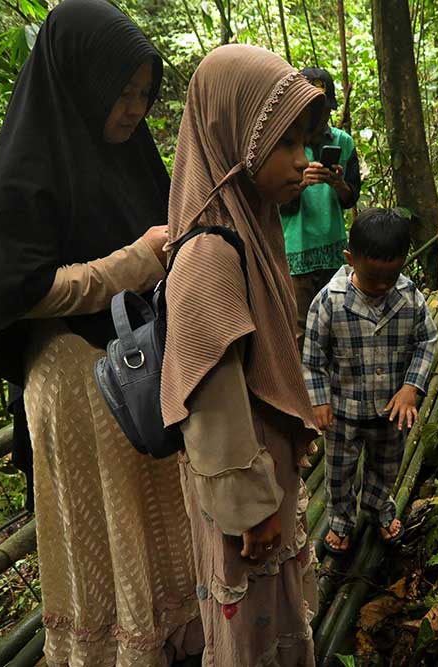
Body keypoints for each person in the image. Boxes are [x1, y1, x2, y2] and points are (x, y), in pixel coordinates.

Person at [0, 1, 201, 664]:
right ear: (78, 81)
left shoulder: (130, 159)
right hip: (78, 384)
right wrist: (129, 263)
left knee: (162, 522)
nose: (133, 109)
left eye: (143, 93)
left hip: (145, 371)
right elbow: (23, 289)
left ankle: (177, 634)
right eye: (120, 92)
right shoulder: (17, 181)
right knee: (110, 532)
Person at [160, 44, 326, 666]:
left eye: (304, 142)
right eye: (285, 144)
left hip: (262, 480)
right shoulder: (210, 253)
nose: (301, 161)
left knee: (267, 619)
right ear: (235, 139)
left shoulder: (248, 226)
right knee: (251, 632)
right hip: (245, 500)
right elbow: (213, 403)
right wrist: (252, 512)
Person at [301, 208, 438, 554]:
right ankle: (341, 521)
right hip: (344, 411)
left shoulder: (409, 298)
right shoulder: (329, 303)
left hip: (392, 411)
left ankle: (379, 508)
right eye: (374, 279)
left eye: (390, 279)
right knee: (340, 472)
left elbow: (427, 340)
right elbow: (313, 356)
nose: (382, 287)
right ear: (350, 259)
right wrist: (319, 400)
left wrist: (411, 387)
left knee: (386, 466)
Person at [279, 67, 361, 345]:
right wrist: (300, 184)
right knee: (298, 332)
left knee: (335, 326)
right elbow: (275, 203)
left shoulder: (343, 142)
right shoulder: (284, 143)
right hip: (295, 253)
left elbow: (351, 199)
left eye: (323, 110)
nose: (318, 117)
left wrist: (337, 184)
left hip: (334, 251)